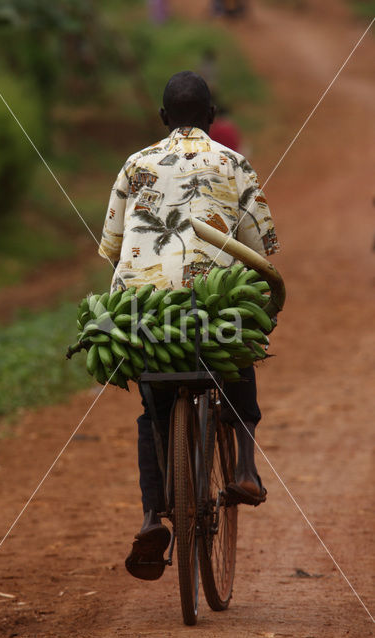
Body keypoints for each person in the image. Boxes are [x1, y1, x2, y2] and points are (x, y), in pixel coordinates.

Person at [98, 71, 279, 581]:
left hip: (144, 310)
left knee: (152, 406)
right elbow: (261, 250)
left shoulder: (134, 165)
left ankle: (151, 515)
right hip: (209, 305)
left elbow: (112, 249)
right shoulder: (233, 162)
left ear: (162, 119)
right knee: (238, 334)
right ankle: (243, 465)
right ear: (212, 117)